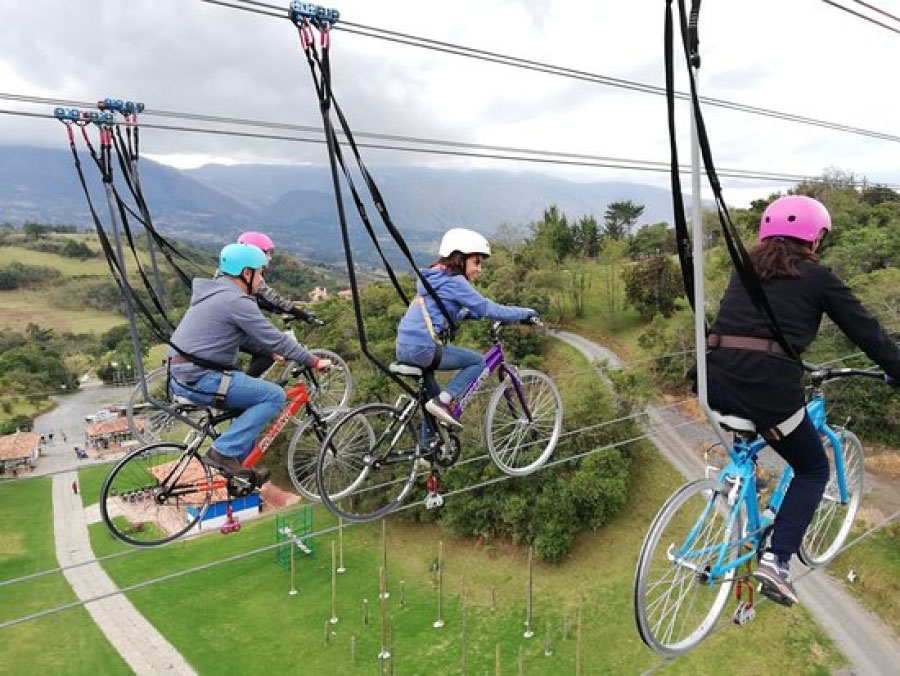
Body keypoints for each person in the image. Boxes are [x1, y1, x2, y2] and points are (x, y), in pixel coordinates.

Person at [700, 195, 900, 607]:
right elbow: (867, 332)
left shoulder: (743, 269)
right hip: (766, 388)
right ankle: (776, 562)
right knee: (812, 468)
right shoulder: (818, 278)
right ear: (814, 237)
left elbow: (746, 329)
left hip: (712, 380)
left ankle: (741, 476)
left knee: (748, 421)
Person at [167, 242, 332, 486]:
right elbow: (275, 337)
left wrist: (268, 351)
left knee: (251, 399)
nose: (261, 279)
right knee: (274, 396)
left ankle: (241, 471)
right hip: (201, 377)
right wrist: (314, 360)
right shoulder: (237, 301)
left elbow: (234, 334)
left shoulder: (213, 293)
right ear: (247, 273)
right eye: (260, 273)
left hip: (182, 374)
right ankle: (222, 453)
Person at [396, 227, 537, 429]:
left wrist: (468, 314)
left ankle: (428, 445)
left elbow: (440, 311)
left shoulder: (434, 278)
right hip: (423, 349)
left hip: (404, 347)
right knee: (477, 362)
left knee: (432, 410)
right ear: (459, 259)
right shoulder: (455, 282)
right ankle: (443, 401)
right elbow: (489, 309)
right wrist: (525, 313)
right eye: (476, 262)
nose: (479, 269)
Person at [235, 231, 318, 378]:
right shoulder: (251, 275)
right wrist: (302, 314)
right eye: (268, 253)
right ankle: (245, 386)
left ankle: (249, 382)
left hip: (231, 325)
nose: (270, 258)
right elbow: (274, 299)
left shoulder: (233, 272)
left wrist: (276, 310)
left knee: (261, 351)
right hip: (237, 327)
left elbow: (262, 301)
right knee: (270, 351)